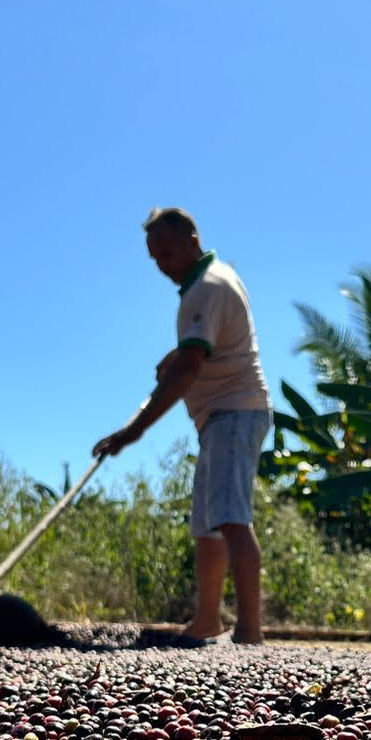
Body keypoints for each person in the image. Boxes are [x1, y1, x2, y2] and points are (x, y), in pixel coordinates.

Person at [93, 208, 273, 645]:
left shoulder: (206, 288)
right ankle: (208, 621)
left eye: (168, 253)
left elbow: (191, 367)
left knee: (231, 518)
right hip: (218, 417)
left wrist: (133, 430)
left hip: (234, 411)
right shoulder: (213, 280)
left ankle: (250, 630)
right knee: (208, 525)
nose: (162, 265)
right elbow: (206, 349)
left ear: (192, 241)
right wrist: (179, 356)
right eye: (155, 258)